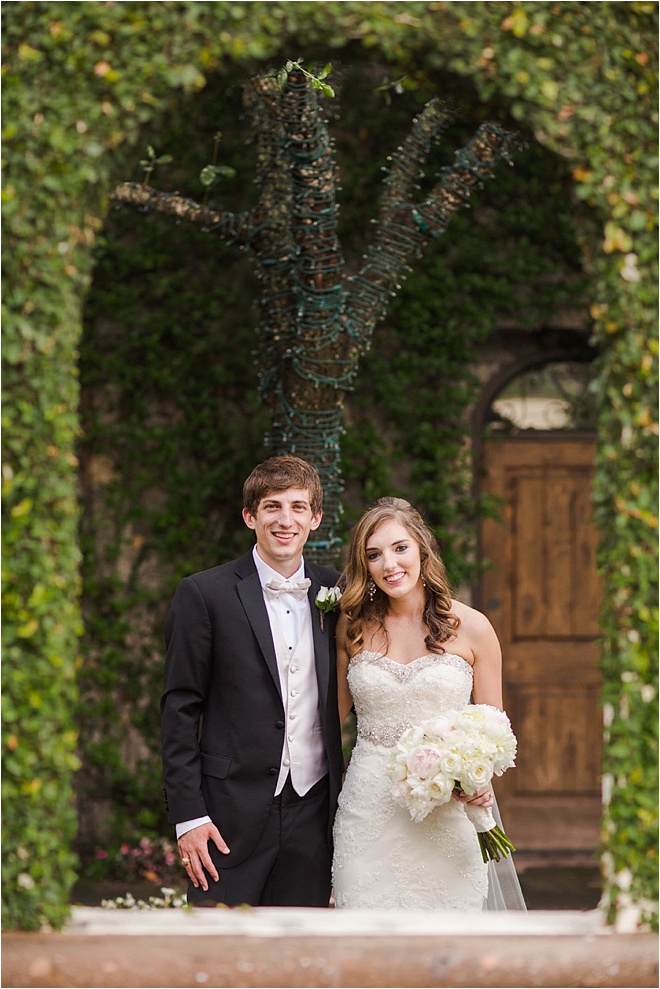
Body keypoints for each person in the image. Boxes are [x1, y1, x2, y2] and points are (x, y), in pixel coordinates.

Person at [161, 455, 344, 907]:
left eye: (299, 507)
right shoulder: (204, 593)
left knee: (301, 959)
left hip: (315, 811)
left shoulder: (337, 592)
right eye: (272, 506)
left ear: (315, 518)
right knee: (215, 957)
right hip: (227, 817)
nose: (286, 520)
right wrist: (189, 816)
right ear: (250, 517)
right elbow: (180, 708)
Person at [332, 496, 525, 911]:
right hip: (367, 809)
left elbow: (494, 730)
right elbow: (326, 721)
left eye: (400, 548)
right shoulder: (351, 626)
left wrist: (477, 781)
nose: (389, 564)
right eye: (374, 555)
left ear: (422, 548)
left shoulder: (472, 627)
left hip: (446, 811)